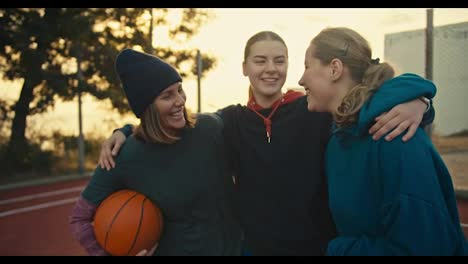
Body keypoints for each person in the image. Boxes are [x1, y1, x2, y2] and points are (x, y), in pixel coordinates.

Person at [99, 31, 435, 256]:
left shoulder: (316, 109)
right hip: (255, 249)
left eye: (280, 61)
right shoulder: (228, 122)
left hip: (317, 246)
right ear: (245, 68)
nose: (270, 69)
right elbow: (177, 125)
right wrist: (127, 130)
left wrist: (418, 101)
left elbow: (366, 105)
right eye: (260, 60)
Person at [299, 26, 468, 256]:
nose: (300, 79)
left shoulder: (394, 137)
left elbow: (424, 247)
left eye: (308, 66)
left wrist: (335, 249)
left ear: (335, 69)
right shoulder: (338, 139)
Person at [69, 49, 242, 256]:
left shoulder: (208, 128)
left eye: (179, 90)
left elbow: (250, 113)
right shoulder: (125, 155)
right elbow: (80, 218)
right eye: (167, 96)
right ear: (147, 107)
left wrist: (124, 129)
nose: (179, 101)